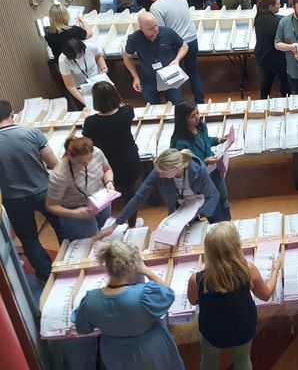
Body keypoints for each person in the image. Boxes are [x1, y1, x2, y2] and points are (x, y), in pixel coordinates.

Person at [73, 241, 184, 370]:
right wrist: (147, 272)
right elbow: (168, 295)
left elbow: (83, 328)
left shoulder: (91, 300)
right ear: (131, 267)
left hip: (114, 353)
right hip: (149, 349)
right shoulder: (142, 296)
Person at [187, 222, 281, 370]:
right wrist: (276, 269)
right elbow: (266, 294)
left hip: (212, 331)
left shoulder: (196, 279)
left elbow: (193, 300)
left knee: (208, 359)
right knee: (243, 359)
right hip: (242, 328)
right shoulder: (248, 270)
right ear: (236, 247)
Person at [0, 100, 63, 281]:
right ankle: (67, 263)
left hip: (13, 199)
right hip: (44, 191)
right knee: (60, 226)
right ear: (12, 113)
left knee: (28, 239)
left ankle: (45, 274)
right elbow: (53, 163)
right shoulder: (31, 133)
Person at [102, 147, 222, 235]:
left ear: (176, 169)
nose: (160, 175)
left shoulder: (198, 170)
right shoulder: (159, 172)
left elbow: (209, 196)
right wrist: (115, 224)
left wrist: (192, 215)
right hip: (182, 208)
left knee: (217, 231)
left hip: (205, 203)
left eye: (163, 173)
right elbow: (139, 197)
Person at [82, 82, 143, 226]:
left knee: (107, 194)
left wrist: (85, 117)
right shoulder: (127, 112)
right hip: (129, 159)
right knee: (130, 195)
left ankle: (106, 223)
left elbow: (86, 137)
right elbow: (123, 106)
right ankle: (132, 224)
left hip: (106, 163)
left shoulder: (91, 122)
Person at [144, 0, 205, 104]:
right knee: (193, 73)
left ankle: (176, 105)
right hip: (192, 39)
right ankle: (200, 102)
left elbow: (160, 31)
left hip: (176, 44)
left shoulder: (156, 7)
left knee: (173, 75)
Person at [171, 100, 231, 221]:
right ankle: (219, 229)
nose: (197, 117)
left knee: (223, 199)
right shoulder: (180, 142)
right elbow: (184, 167)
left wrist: (219, 140)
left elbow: (206, 140)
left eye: (197, 113)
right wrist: (204, 161)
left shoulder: (201, 126)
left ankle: (228, 224)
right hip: (200, 177)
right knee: (213, 206)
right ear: (183, 119)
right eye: (192, 116)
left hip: (214, 169)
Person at [46, 136, 115, 239]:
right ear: (70, 155)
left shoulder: (96, 152)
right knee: (89, 242)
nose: (86, 164)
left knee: (106, 234)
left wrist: (109, 182)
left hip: (100, 201)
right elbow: (51, 205)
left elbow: (107, 170)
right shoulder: (59, 174)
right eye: (81, 162)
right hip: (77, 210)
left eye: (90, 160)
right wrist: (74, 213)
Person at [123, 12, 187, 104]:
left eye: (156, 25)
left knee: (175, 104)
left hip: (171, 76)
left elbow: (184, 46)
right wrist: (135, 77)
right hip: (149, 79)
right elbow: (127, 57)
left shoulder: (168, 32)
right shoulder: (134, 39)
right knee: (152, 106)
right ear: (141, 28)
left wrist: (177, 60)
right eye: (150, 28)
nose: (155, 29)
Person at [253, 0, 289, 99]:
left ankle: (263, 99)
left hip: (262, 54)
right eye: (278, 4)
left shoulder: (259, 17)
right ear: (270, 7)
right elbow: (280, 40)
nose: (280, 6)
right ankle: (285, 99)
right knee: (285, 79)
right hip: (274, 56)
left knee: (267, 79)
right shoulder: (275, 22)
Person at [57, 38, 107, 109]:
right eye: (75, 57)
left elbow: (98, 56)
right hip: (80, 88)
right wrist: (86, 102)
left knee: (106, 106)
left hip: (97, 82)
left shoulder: (90, 46)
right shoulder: (63, 60)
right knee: (87, 109)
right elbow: (70, 86)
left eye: (81, 54)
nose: (79, 57)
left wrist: (103, 67)